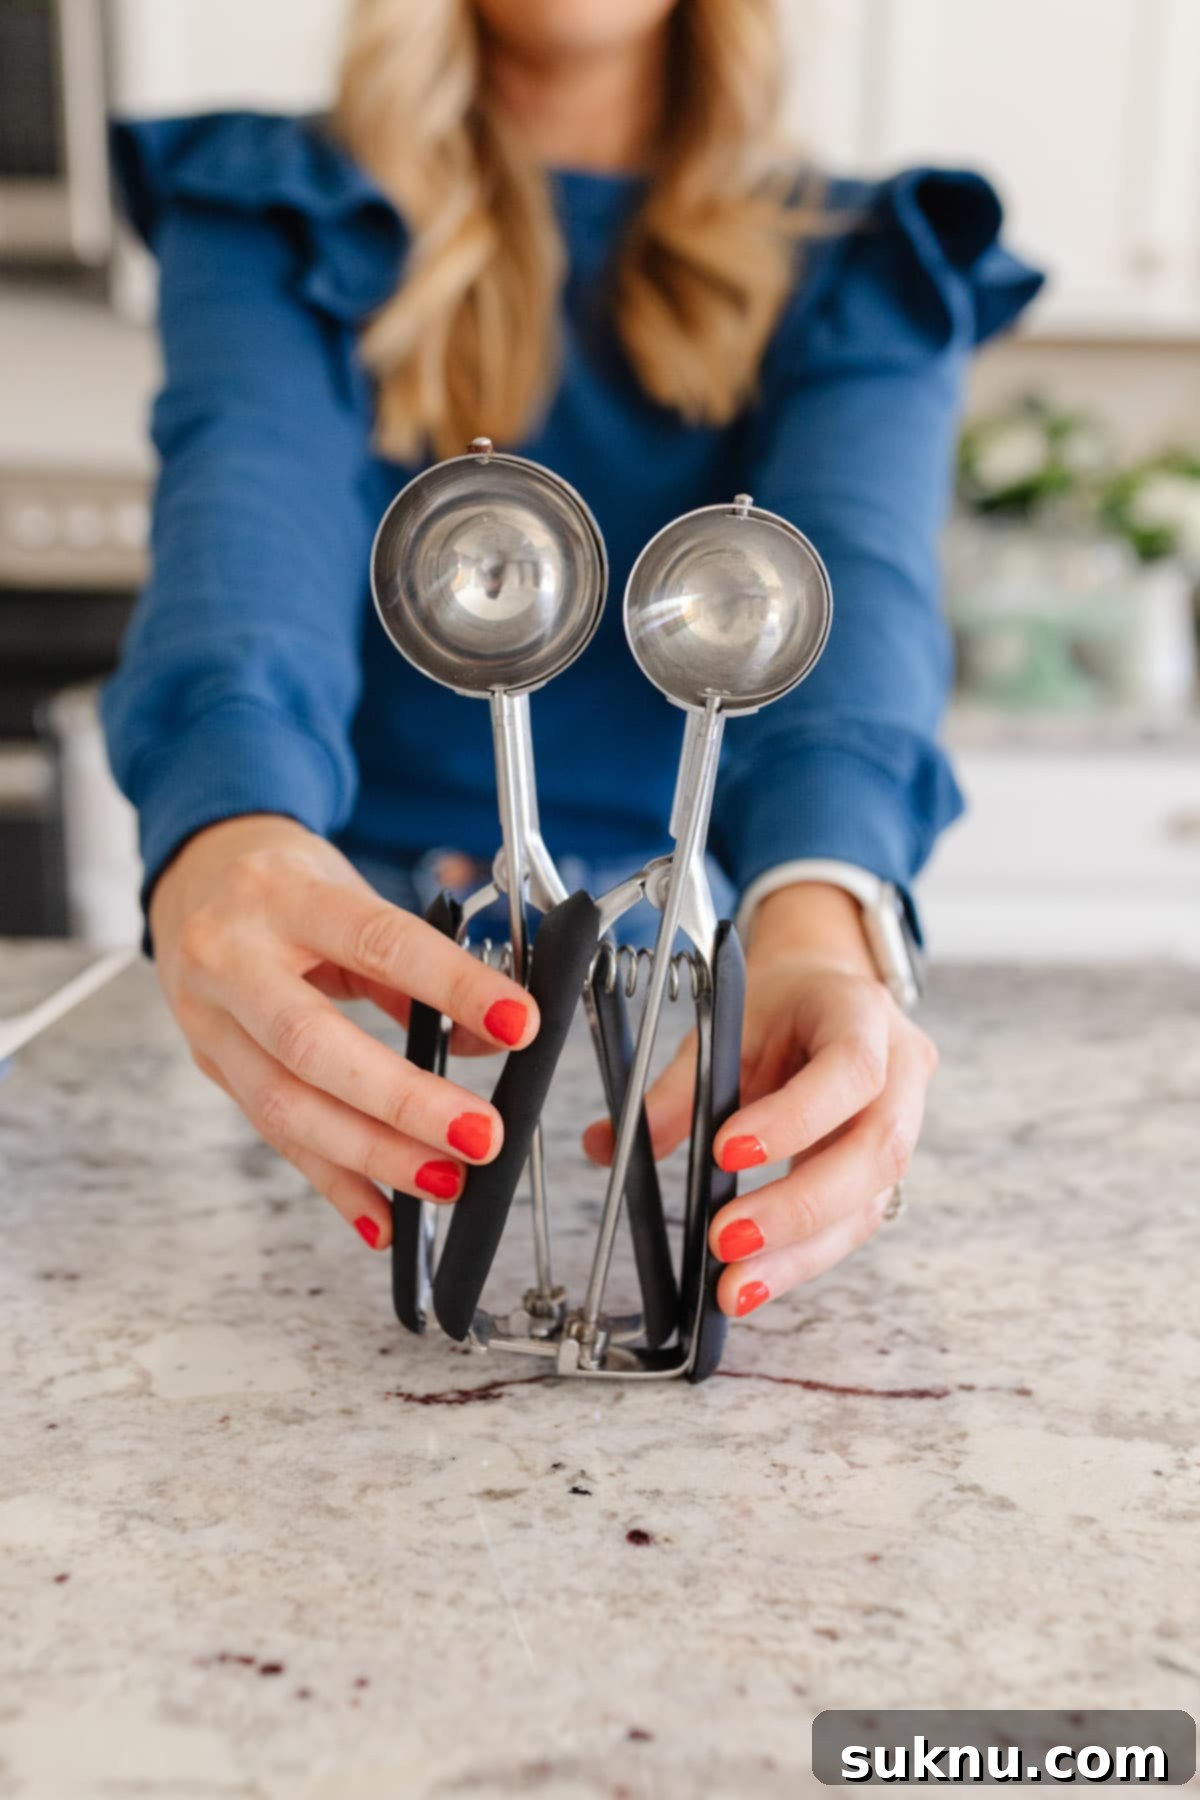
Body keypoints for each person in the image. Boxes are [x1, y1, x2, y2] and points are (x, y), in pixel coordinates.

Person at [103, 0, 1042, 1320]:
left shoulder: (859, 259)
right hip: (350, 961)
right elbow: (242, 530)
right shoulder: (279, 208)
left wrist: (823, 935)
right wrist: (229, 833)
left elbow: (853, 602)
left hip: (697, 960)